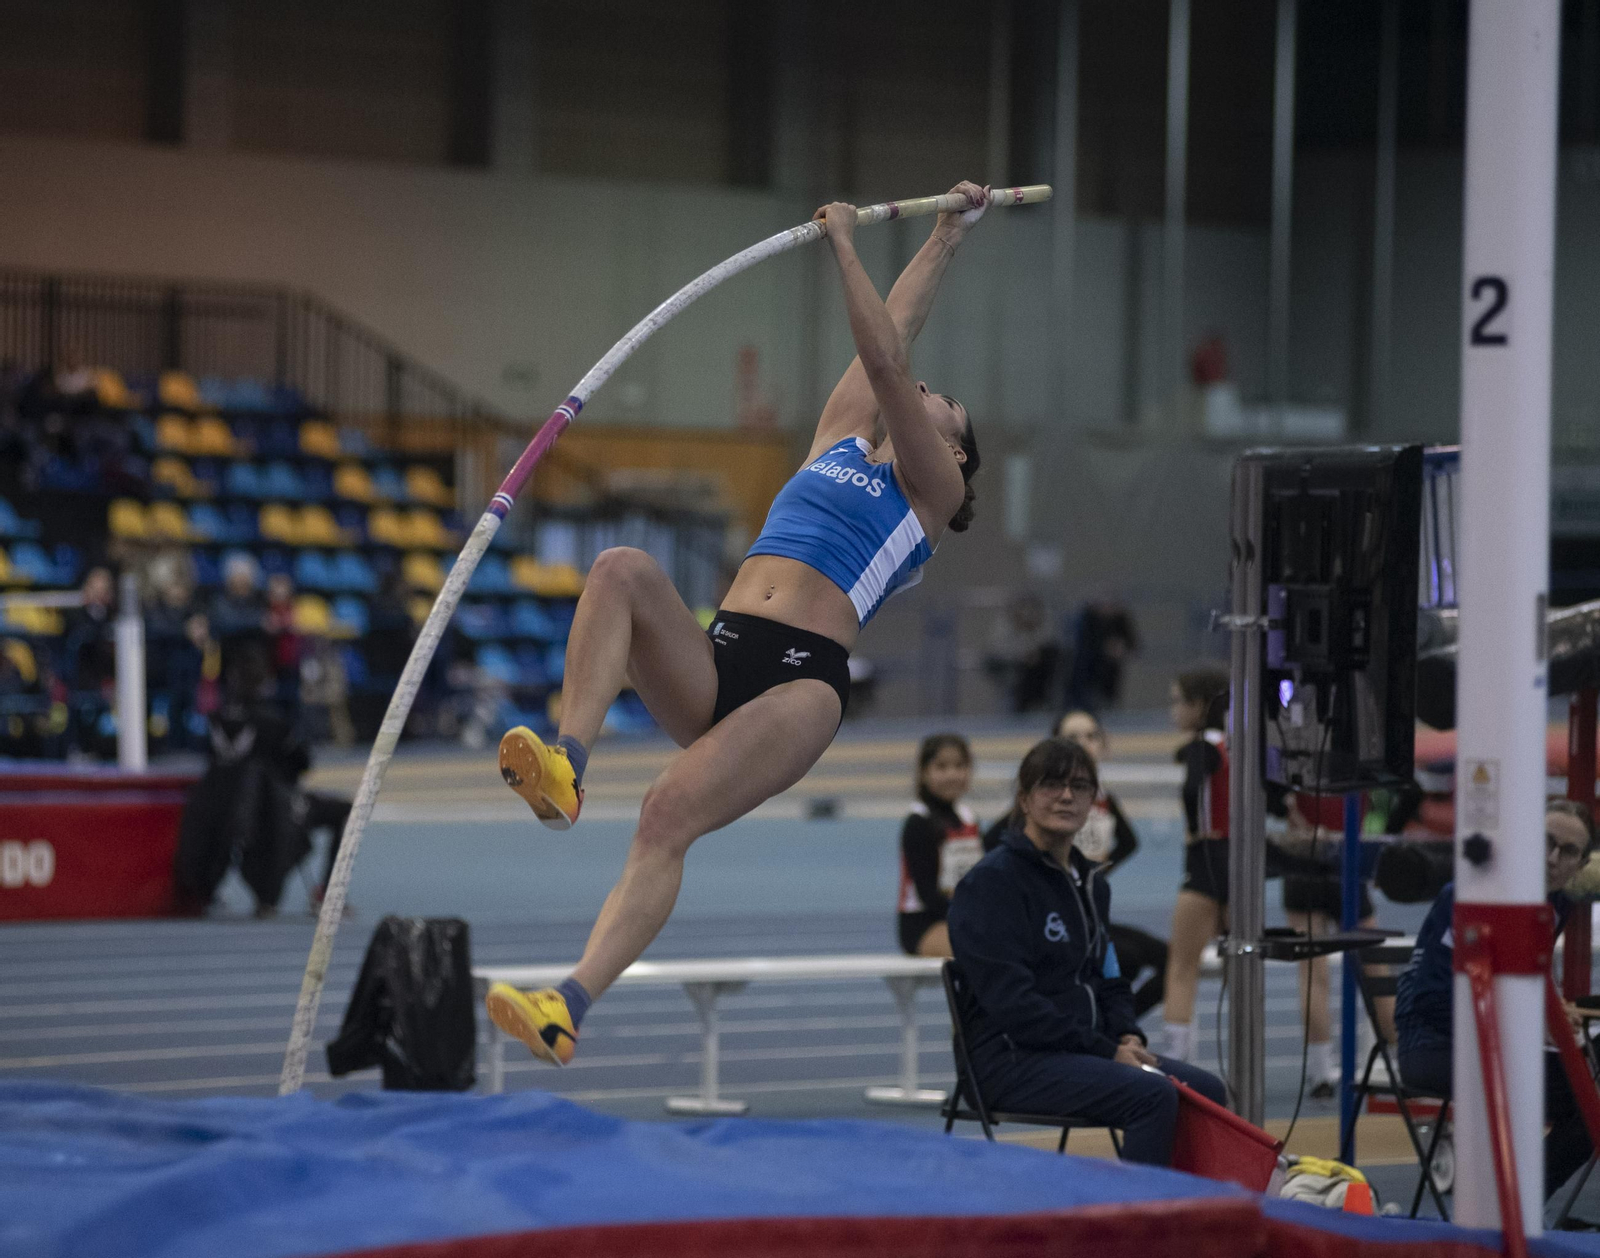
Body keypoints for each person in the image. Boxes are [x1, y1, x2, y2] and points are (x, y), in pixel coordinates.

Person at [485, 181, 993, 1066]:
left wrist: (841, 243)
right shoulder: (838, 442)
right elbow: (891, 344)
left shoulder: (932, 493)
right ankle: (566, 763)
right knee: (620, 570)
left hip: (800, 685)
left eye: (943, 401)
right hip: (719, 656)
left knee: (664, 814)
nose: (923, 390)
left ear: (955, 448)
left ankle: (567, 1004)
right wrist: (949, 231)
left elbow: (883, 362)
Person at [947, 736, 1227, 1166]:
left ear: (1094, 800)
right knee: (1152, 1096)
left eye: (1079, 787)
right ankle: (1136, 1226)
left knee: (1207, 1093)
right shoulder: (992, 884)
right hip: (1009, 1060)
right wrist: (1105, 1050)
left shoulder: (1091, 883)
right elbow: (1013, 1005)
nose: (1066, 796)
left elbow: (1110, 976)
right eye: (1051, 785)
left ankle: (1189, 1217)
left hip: (1078, 1053)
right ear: (1023, 799)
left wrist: (1127, 1034)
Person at [1394, 799, 1597, 1203]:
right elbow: (1432, 999)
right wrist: (1523, 1022)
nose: (1553, 858)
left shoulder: (1556, 904)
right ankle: (1506, 1203)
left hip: (1503, 1045)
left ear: (1579, 863)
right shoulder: (1467, 896)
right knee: (1554, 1090)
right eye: (1545, 842)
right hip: (1434, 1043)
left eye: (1568, 851)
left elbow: (1518, 979)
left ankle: (1521, 1199)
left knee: (1591, 1104)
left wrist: (1549, 1015)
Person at [1055, 709, 1169, 1019]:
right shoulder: (1048, 799)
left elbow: (1130, 841)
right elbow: (999, 838)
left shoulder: (1103, 799)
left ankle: (1112, 1027)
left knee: (1171, 960)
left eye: (1091, 736)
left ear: (1104, 745)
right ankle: (1105, 1027)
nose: (1083, 744)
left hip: (1094, 918)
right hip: (1060, 923)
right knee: (1124, 961)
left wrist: (1097, 870)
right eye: (1072, 737)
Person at [1161, 665, 1231, 1062]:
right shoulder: (1233, 745)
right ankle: (1242, 1058)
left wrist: (1192, 828)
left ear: (1200, 705)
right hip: (1237, 859)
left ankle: (1178, 1063)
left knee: (1182, 967)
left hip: (1205, 858)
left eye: (1177, 701)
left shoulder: (1202, 746)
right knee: (1242, 968)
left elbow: (1192, 788)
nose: (1172, 710)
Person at [897, 733, 982, 957]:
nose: (952, 775)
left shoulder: (969, 818)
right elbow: (928, 895)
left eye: (959, 766)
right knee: (980, 950)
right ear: (924, 773)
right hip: (923, 925)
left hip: (964, 918)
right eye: (942, 767)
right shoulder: (918, 822)